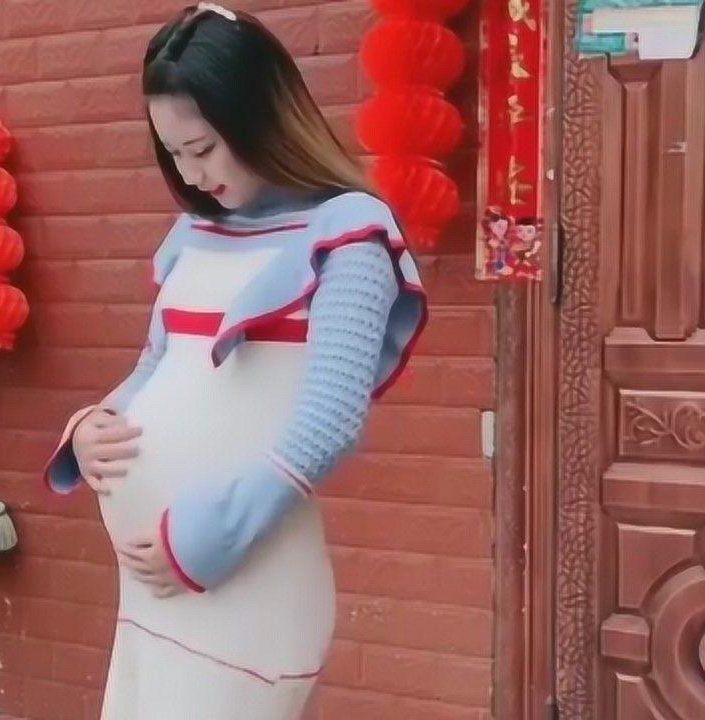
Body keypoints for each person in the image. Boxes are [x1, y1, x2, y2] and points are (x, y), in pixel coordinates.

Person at [41, 4, 427, 718]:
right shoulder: (195, 231)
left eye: (204, 148)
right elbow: (160, 364)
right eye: (174, 154)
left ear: (262, 118)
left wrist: (212, 534)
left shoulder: (351, 237)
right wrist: (95, 423)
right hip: (151, 592)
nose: (192, 174)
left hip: (245, 578)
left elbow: (331, 421)